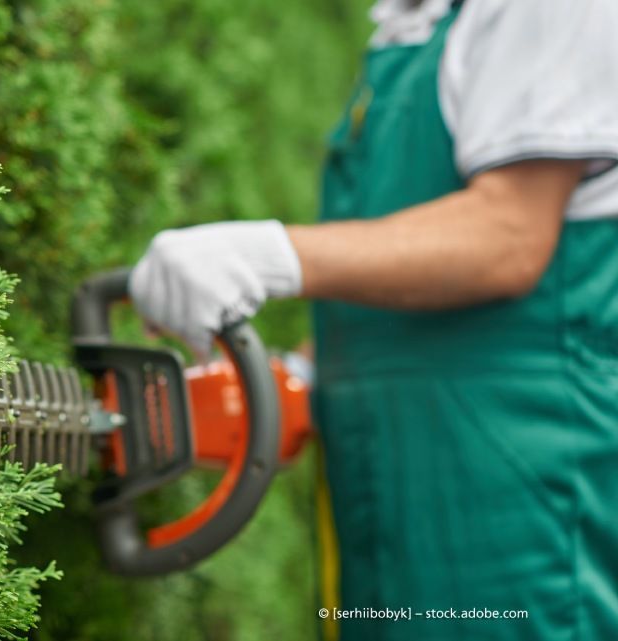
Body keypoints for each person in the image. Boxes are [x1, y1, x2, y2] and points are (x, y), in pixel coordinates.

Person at [128, 0, 618, 639]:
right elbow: (403, 268)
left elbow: (512, 234)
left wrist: (269, 254)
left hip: (514, 492)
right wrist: (299, 375)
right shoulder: (416, 29)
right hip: (385, 491)